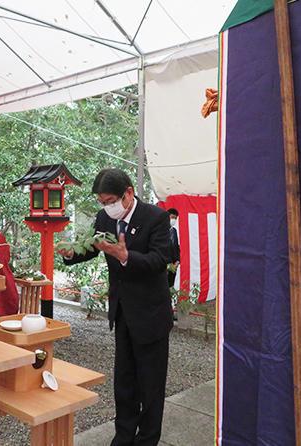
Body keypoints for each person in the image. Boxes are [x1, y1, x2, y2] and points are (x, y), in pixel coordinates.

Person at [57, 168, 172, 446]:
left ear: (128, 193)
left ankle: (147, 439)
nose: (107, 207)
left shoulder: (156, 218)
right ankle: (123, 435)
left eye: (110, 201)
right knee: (124, 381)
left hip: (151, 314)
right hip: (122, 313)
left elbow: (160, 260)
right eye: (102, 202)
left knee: (151, 385)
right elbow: (94, 246)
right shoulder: (104, 218)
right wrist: (72, 253)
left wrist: (126, 256)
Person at [166, 208, 180, 290]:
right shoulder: (161, 230)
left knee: (170, 286)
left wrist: (177, 261)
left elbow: (176, 247)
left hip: (174, 265)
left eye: (175, 218)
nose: (174, 220)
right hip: (164, 265)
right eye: (172, 217)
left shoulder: (174, 231)